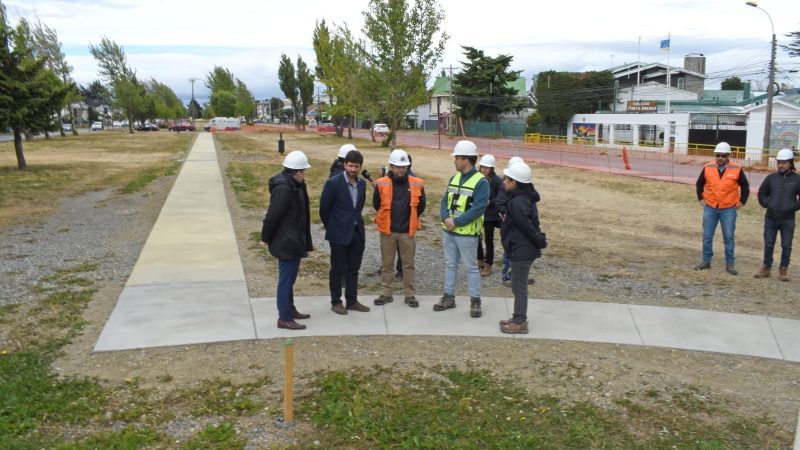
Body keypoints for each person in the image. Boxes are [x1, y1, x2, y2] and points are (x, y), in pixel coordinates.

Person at [435, 140, 490, 318]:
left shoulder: (481, 182)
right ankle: (448, 297)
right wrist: (445, 217)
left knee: (470, 267)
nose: (454, 160)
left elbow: (479, 208)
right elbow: (445, 200)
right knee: (450, 264)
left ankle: (475, 301)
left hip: (466, 233)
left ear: (466, 160)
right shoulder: (454, 178)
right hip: (449, 230)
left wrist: (456, 222)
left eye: (457, 157)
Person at [260, 151, 313, 330]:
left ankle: (289, 309)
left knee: (289, 280)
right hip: (287, 241)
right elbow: (273, 215)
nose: (304, 174)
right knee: (285, 280)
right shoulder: (284, 188)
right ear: (296, 171)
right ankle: (284, 317)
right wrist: (265, 237)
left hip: (293, 239)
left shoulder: (293, 184)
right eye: (303, 171)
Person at [372, 149, 426, 307]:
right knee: (387, 264)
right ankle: (386, 293)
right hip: (388, 231)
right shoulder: (381, 183)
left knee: (408, 265)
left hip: (407, 232)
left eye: (404, 167)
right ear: (391, 166)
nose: (401, 169)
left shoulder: (417, 183)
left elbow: (421, 205)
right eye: (397, 166)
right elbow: (377, 205)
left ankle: (410, 295)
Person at [320, 149, 370, 314]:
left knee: (353, 269)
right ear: (344, 165)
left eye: (356, 166)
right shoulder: (333, 183)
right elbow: (324, 210)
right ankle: (336, 301)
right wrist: (333, 228)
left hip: (356, 232)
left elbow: (358, 208)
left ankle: (352, 300)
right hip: (338, 233)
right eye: (350, 166)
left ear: (360, 166)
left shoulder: (362, 184)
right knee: (337, 268)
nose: (353, 170)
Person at [499, 161, 542, 334]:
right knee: (519, 285)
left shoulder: (518, 202)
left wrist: (541, 240)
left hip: (521, 249)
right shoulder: (521, 199)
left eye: (506, 179)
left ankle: (520, 322)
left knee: (519, 286)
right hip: (520, 247)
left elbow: (528, 227)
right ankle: (517, 316)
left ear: (514, 182)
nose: (503, 182)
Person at [694, 142, 749, 275]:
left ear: (728, 156)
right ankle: (706, 261)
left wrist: (742, 202)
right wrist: (701, 199)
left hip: (728, 209)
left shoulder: (736, 169)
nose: (720, 158)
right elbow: (699, 183)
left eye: (723, 156)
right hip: (710, 207)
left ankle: (730, 264)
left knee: (728, 237)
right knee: (707, 236)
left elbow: (745, 186)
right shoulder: (708, 167)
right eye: (718, 155)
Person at [754, 148, 800, 281]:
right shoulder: (771, 178)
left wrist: (792, 207)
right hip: (771, 218)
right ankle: (766, 268)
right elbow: (762, 193)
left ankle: (783, 270)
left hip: (788, 219)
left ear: (791, 163)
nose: (781, 165)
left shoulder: (797, 179)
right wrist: (767, 204)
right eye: (779, 162)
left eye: (784, 163)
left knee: (786, 245)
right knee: (769, 243)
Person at [476, 154, 503, 277]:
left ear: (492, 168)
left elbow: (501, 197)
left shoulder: (497, 181)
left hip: (490, 216)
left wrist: (490, 202)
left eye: (487, 167)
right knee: (476, 237)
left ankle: (488, 264)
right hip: (478, 213)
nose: (485, 169)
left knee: (488, 240)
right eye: (483, 167)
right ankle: (480, 259)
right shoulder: (477, 178)